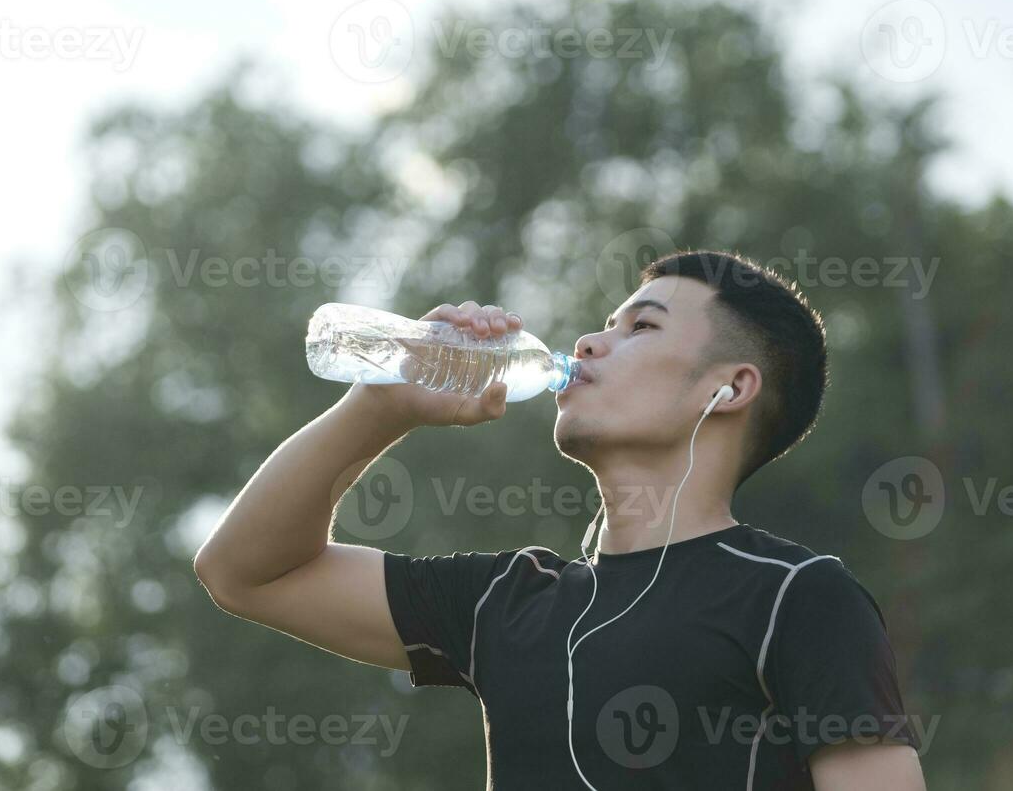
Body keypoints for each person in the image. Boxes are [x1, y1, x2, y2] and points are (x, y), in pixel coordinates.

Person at [194, 249, 927, 789]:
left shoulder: (798, 597)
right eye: (602, 324)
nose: (587, 343)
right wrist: (381, 404)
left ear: (730, 388)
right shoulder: (503, 603)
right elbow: (243, 572)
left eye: (641, 327)